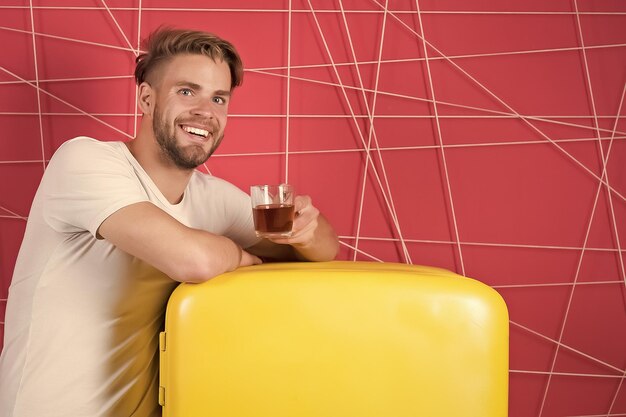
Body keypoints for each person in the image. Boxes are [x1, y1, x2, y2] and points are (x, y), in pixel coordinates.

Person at [0, 27, 339, 417]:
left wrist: (307, 230)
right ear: (147, 98)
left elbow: (324, 250)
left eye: (218, 98)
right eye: (186, 91)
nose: (205, 112)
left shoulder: (213, 197)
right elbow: (193, 261)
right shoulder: (84, 161)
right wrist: (245, 259)